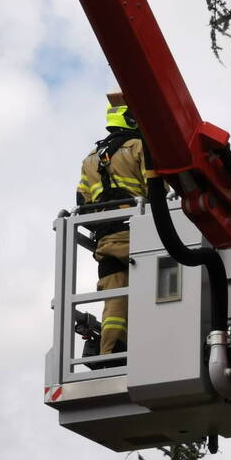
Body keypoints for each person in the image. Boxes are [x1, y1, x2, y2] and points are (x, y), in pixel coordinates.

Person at [76, 96, 147, 356]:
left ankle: (112, 355)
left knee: (115, 305)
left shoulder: (90, 159)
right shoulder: (140, 147)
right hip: (138, 236)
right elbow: (159, 193)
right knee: (158, 287)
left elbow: (82, 202)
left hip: (106, 242)